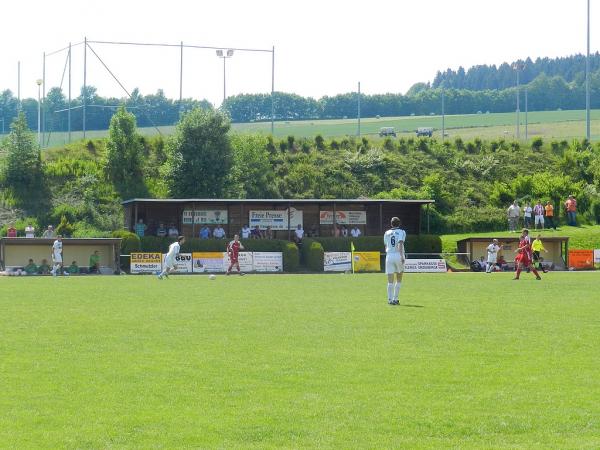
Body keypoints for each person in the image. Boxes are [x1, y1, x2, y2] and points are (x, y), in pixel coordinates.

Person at [384, 217, 406, 305]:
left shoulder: (386, 233)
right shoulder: (402, 232)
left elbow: (385, 245)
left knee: (390, 280)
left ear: (391, 223)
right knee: (399, 277)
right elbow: (400, 243)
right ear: (399, 223)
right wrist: (401, 256)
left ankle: (389, 300)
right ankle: (395, 299)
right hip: (397, 254)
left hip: (389, 255)